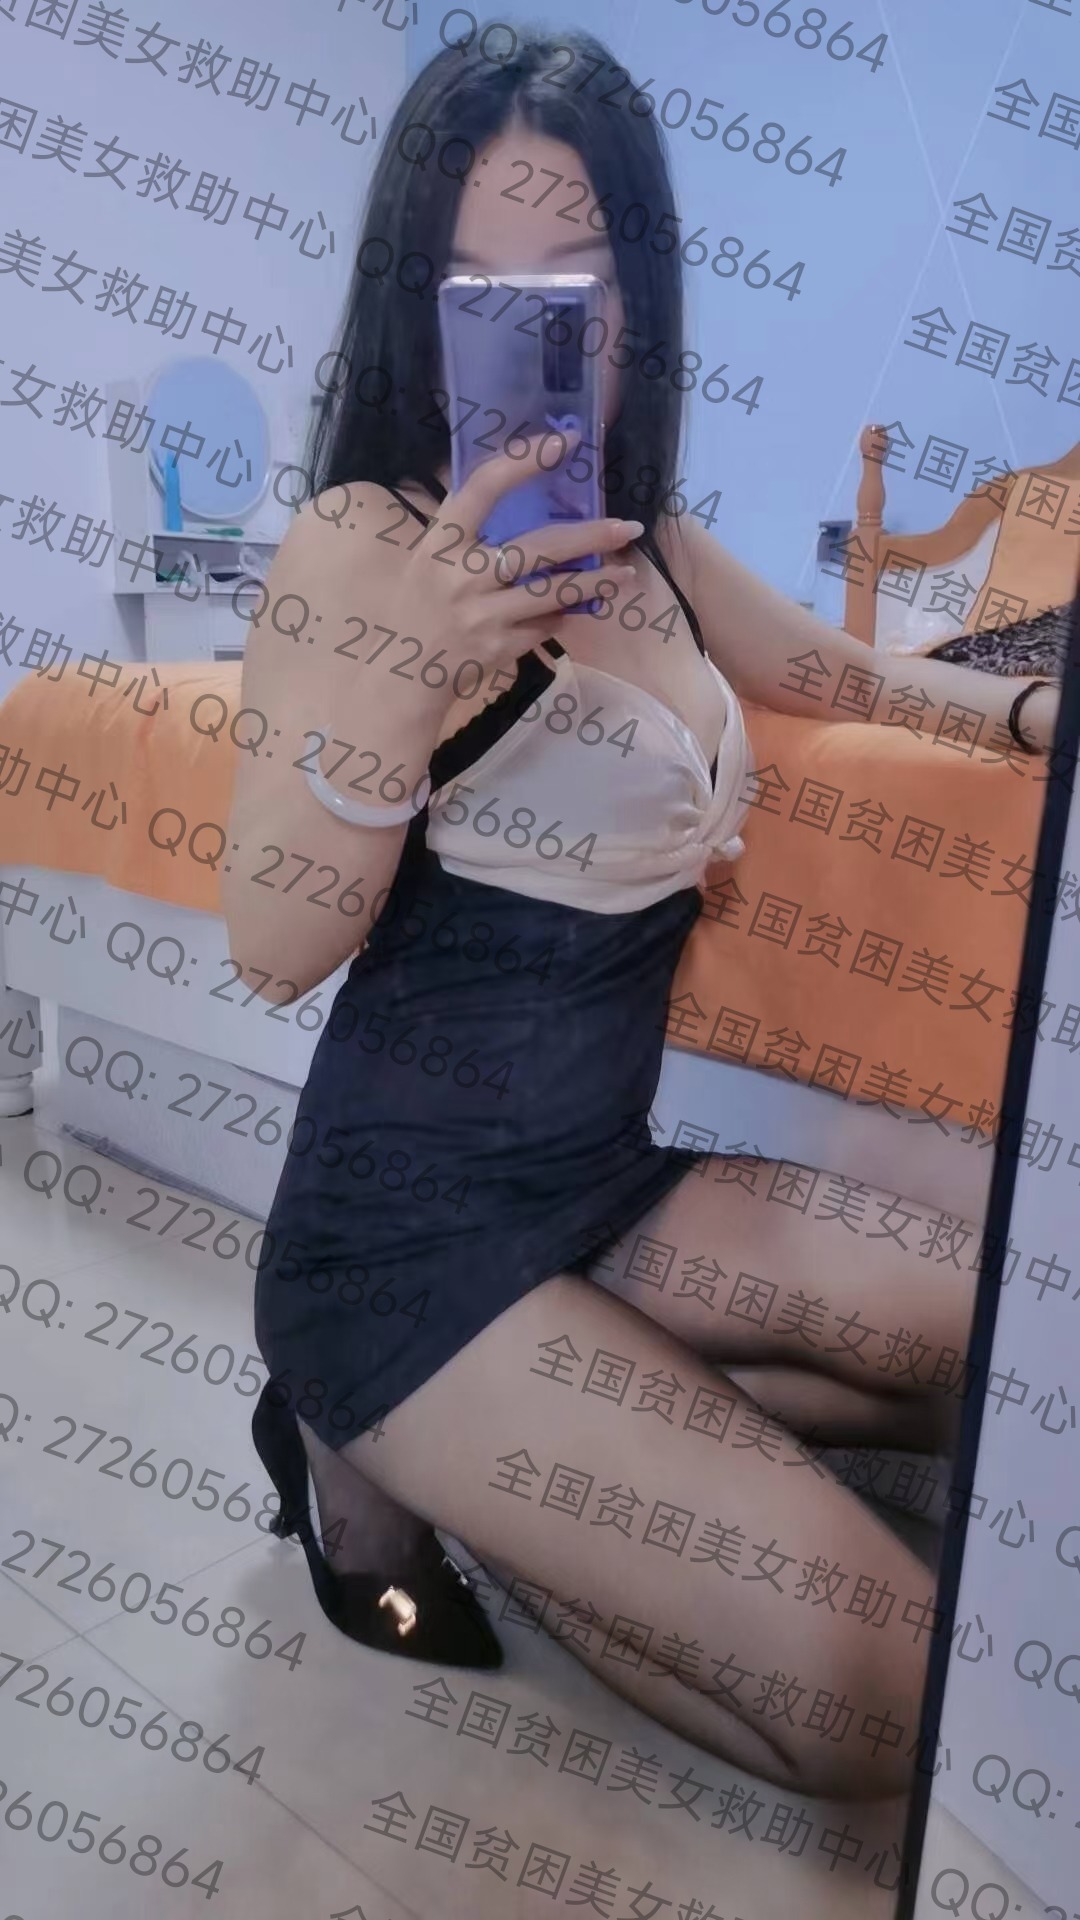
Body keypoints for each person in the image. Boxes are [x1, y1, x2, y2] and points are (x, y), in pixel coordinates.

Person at [223, 28, 1059, 1801]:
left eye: (580, 279)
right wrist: (401, 688)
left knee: (1010, 1338)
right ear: (418, 309)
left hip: (603, 1187)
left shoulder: (649, 544)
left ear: (640, 297)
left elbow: (844, 670)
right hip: (398, 1244)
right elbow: (271, 946)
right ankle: (398, 1443)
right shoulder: (362, 543)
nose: (539, 332)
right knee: (895, 1696)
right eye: (482, 287)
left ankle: (541, 1434)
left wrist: (1029, 709)